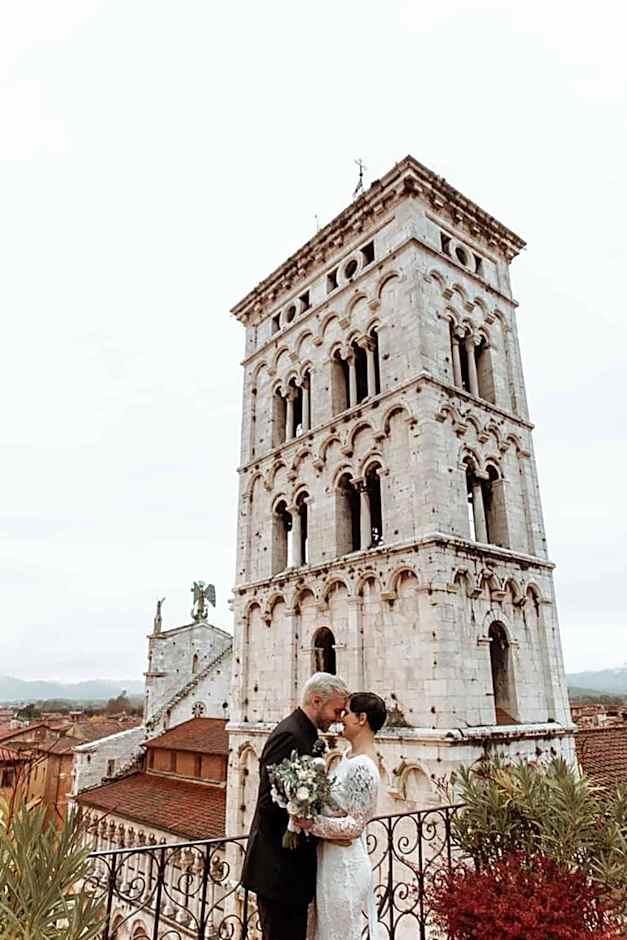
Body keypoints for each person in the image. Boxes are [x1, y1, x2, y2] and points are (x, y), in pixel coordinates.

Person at [241, 672, 349, 940]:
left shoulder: (306, 733)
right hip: (278, 869)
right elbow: (269, 804)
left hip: (291, 871)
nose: (338, 718)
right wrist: (303, 820)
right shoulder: (290, 734)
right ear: (316, 700)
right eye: (336, 710)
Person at [298, 691, 387, 940]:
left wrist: (310, 823)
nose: (341, 717)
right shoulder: (348, 757)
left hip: (345, 866)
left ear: (361, 718)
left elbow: (355, 825)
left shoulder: (363, 766)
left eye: (346, 712)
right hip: (331, 859)